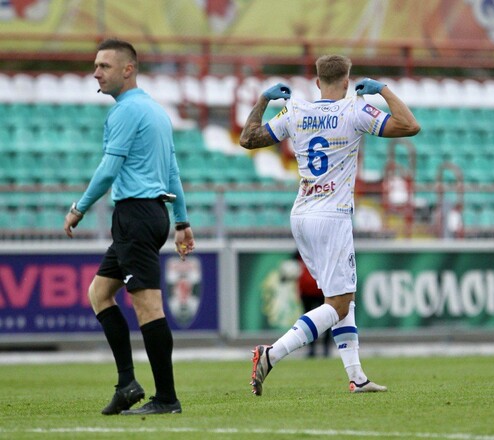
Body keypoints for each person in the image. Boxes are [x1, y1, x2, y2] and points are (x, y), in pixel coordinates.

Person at [239, 55, 420, 395]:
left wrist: (263, 100)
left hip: (302, 215)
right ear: (348, 82)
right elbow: (410, 125)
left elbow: (248, 139)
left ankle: (357, 376)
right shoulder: (355, 109)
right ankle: (271, 354)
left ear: (317, 82)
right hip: (332, 215)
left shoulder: (296, 111)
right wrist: (383, 91)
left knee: (340, 299)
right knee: (338, 303)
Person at [63, 38, 195, 415]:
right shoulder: (156, 111)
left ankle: (167, 398)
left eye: (104, 66)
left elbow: (109, 170)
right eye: (95, 65)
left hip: (135, 215)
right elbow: (172, 172)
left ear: (128, 69)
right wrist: (181, 221)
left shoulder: (124, 112)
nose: (96, 72)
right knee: (99, 293)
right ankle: (127, 383)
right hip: (151, 215)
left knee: (148, 307)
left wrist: (79, 208)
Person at [295, 252, 331, 358]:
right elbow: (292, 265)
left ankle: (326, 347)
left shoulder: (323, 248)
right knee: (307, 322)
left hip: (321, 290)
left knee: (327, 320)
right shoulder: (299, 250)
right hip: (306, 291)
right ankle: (311, 348)